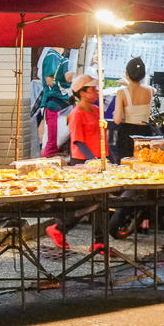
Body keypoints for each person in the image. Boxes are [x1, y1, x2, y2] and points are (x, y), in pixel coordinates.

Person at [46, 74, 106, 251]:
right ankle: (58, 228)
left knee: (100, 202)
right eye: (92, 89)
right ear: (82, 92)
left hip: (97, 162)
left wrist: (103, 159)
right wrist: (92, 160)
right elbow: (78, 141)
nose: (95, 92)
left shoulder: (96, 111)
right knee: (85, 204)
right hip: (82, 163)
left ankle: (99, 242)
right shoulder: (76, 113)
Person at [113, 57, 155, 161]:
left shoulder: (122, 93)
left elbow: (117, 120)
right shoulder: (150, 91)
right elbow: (141, 87)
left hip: (127, 134)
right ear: (143, 74)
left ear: (126, 73)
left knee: (125, 167)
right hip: (145, 133)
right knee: (143, 165)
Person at [38, 48, 74, 157]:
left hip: (63, 106)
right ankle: (45, 169)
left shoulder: (59, 57)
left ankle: (49, 165)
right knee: (51, 142)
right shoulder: (51, 56)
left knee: (53, 142)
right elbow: (50, 81)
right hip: (54, 105)